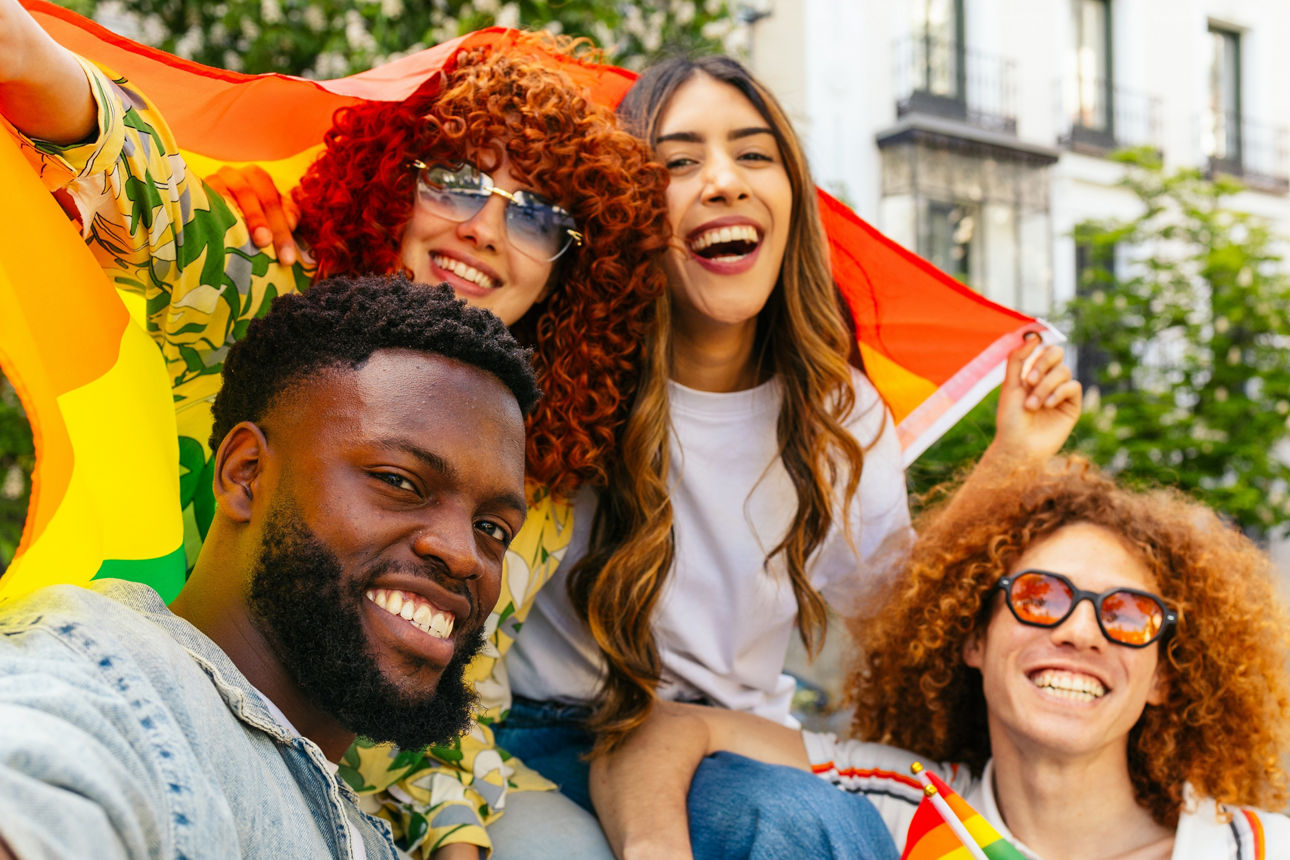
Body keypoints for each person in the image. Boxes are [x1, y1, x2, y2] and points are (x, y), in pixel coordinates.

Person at [1, 4, 666, 855]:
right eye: (456, 180)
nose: (484, 228)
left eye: (536, 215)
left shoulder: (532, 484)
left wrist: (454, 839)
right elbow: (155, 210)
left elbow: (454, 701)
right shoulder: (273, 304)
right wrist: (31, 61)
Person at [0, 275, 541, 860]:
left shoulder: (350, 826)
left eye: (492, 529)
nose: (464, 553)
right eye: (399, 482)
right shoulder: (109, 682)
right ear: (246, 472)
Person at [589, 455, 1290, 859]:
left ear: (1166, 675)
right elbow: (656, 731)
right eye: (1041, 597)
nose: (1081, 631)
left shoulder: (1258, 848)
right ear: (973, 639)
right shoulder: (912, 805)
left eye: (1128, 613)